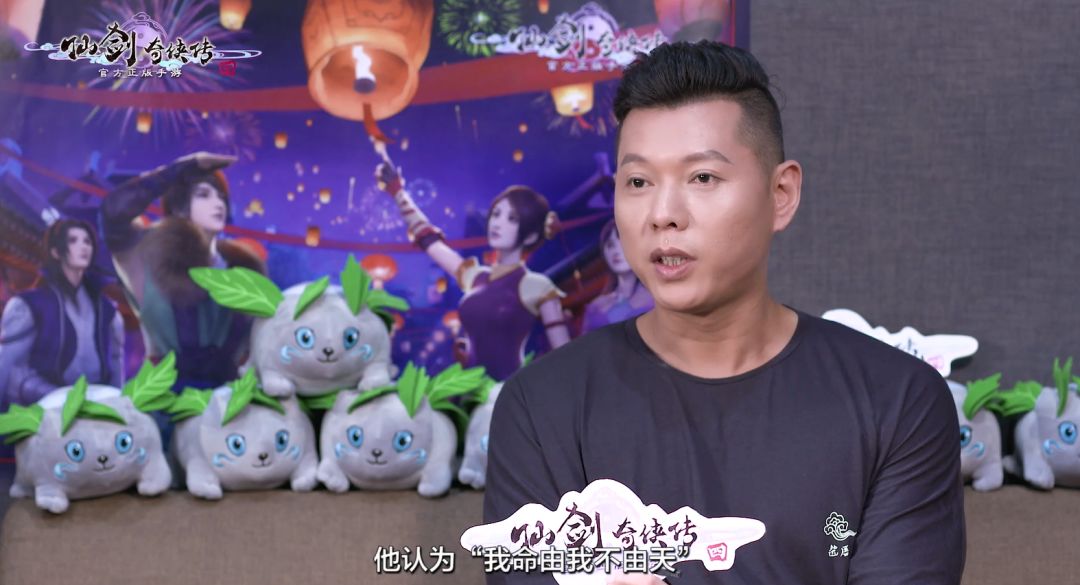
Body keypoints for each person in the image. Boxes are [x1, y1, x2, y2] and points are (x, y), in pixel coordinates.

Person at [483, 41, 964, 584]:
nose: (663, 214)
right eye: (638, 182)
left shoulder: (897, 401)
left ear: (781, 194)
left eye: (702, 178)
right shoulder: (541, 405)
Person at [376, 163, 571, 382]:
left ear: (531, 236)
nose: (497, 224)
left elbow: (564, 356)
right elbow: (430, 241)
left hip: (508, 392)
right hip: (468, 388)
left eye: (512, 219)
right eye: (496, 214)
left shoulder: (537, 285)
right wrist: (398, 193)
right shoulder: (475, 276)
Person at [100, 152, 265, 391]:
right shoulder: (146, 255)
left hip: (227, 397)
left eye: (220, 196)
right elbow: (113, 213)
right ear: (179, 207)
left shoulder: (242, 271)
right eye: (204, 195)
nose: (218, 203)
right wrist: (178, 170)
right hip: (164, 395)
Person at [0, 219, 123, 408]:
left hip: (96, 406)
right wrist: (54, 395)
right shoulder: (28, 306)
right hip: (46, 408)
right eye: (73, 240)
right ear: (56, 252)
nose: (83, 246)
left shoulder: (108, 311)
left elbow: (115, 365)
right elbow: (9, 371)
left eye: (87, 241)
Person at [581, 218, 654, 333]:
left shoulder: (659, 295)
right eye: (610, 245)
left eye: (623, 242)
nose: (616, 250)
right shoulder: (595, 307)